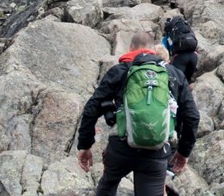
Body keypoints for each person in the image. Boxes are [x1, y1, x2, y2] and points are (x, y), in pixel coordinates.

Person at [77, 31, 200, 196]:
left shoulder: (120, 71)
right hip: (156, 151)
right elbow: (192, 116)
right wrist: (184, 152)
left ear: (130, 48)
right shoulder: (173, 74)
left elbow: (92, 108)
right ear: (153, 50)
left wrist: (85, 145)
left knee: (108, 184)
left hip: (121, 148)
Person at [163, 15, 199, 84]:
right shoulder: (187, 29)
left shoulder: (170, 34)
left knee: (177, 82)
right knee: (187, 81)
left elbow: (164, 48)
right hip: (194, 57)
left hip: (180, 58)